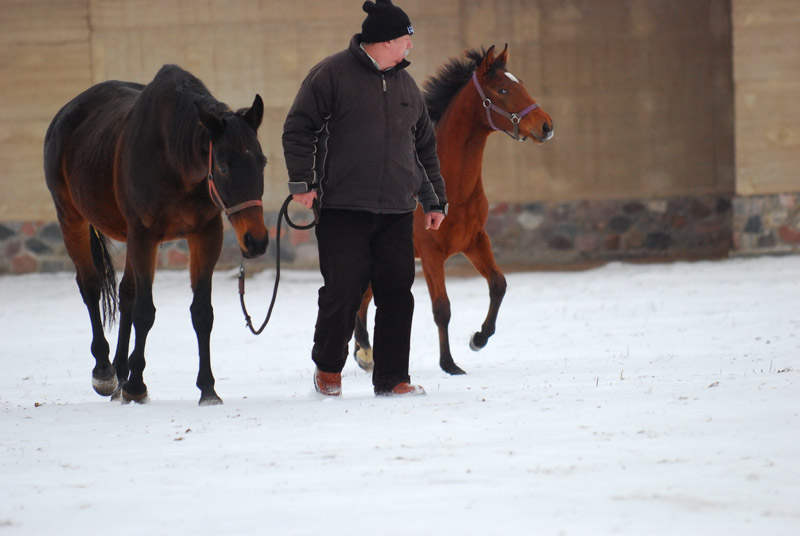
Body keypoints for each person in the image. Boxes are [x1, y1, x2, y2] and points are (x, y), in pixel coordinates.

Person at [282, 0, 448, 397]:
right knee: (343, 290)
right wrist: (302, 182)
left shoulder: (408, 86)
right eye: (407, 39)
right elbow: (298, 128)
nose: (411, 46)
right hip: (343, 206)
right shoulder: (331, 74)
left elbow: (423, 149)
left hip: (396, 208)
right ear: (386, 40)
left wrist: (435, 200)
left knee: (396, 294)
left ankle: (392, 379)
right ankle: (328, 369)